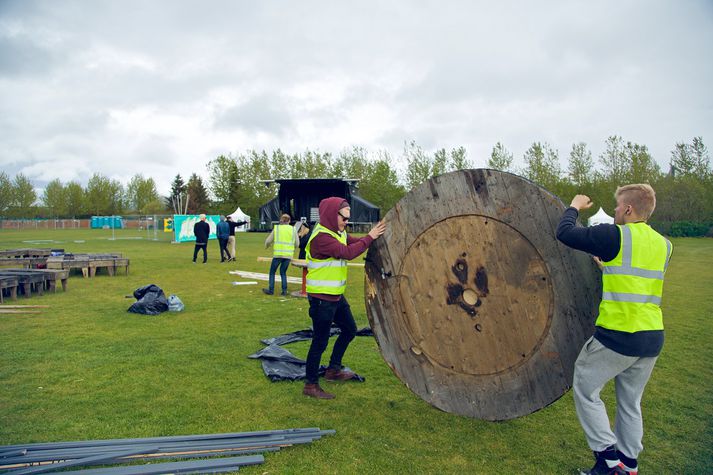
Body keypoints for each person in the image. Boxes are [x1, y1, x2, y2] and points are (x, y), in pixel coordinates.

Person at [556, 184, 672, 475]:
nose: (615, 211)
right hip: (651, 337)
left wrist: (574, 206)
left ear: (629, 209)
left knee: (585, 388)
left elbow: (565, 233)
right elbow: (636, 278)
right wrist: (606, 266)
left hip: (619, 334)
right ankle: (629, 466)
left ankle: (608, 461)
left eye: (618, 207)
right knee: (630, 403)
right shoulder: (664, 245)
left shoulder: (614, 235)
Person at [302, 197, 386, 399]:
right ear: (332, 215)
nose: (347, 221)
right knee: (319, 342)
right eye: (344, 218)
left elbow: (355, 243)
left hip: (335, 297)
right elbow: (348, 253)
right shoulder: (322, 238)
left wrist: (371, 238)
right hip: (322, 299)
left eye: (348, 218)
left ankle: (333, 370)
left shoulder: (337, 233)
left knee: (349, 330)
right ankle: (311, 385)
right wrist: (370, 236)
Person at [263, 214, 299, 296]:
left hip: (278, 255)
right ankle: (284, 291)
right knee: (283, 272)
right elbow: (297, 243)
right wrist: (293, 248)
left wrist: (266, 246)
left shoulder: (277, 228)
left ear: (281, 220)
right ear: (289, 221)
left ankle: (271, 290)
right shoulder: (293, 229)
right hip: (288, 255)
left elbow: (268, 241)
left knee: (272, 272)